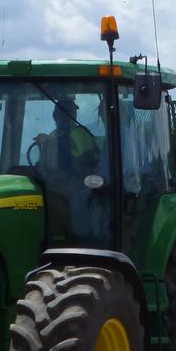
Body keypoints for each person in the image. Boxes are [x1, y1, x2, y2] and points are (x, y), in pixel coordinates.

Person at [34, 96, 107, 244]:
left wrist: (50, 143)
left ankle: (81, 239)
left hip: (79, 184)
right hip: (54, 184)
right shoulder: (53, 136)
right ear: (55, 115)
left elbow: (86, 164)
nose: (70, 116)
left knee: (78, 203)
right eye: (64, 112)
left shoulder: (81, 134)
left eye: (71, 112)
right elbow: (43, 164)